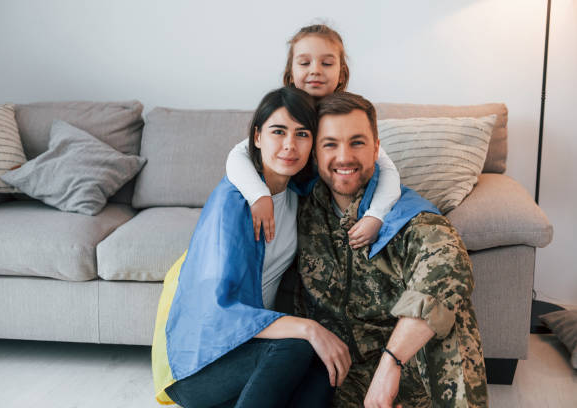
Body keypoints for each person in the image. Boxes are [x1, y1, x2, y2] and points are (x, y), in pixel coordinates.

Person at [152, 87, 349, 408]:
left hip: (249, 353)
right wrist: (309, 328)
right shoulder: (233, 204)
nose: (289, 145)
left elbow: (354, 167)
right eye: (278, 132)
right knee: (299, 344)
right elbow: (220, 308)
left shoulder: (296, 191)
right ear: (256, 137)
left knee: (325, 367)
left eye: (302, 134)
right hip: (199, 365)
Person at [294, 91, 489, 407]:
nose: (344, 156)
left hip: (406, 368)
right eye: (330, 144)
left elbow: (448, 263)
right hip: (336, 372)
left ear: (376, 149)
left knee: (449, 311)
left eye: (357, 142)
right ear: (315, 153)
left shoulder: (408, 215)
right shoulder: (299, 207)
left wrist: (392, 361)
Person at [226, 24, 401, 249]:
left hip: (346, 208)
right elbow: (239, 153)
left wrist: (376, 215)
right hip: (301, 214)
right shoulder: (285, 112)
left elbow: (387, 170)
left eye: (326, 63)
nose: (316, 70)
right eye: (305, 63)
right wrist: (259, 196)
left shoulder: (346, 117)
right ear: (291, 74)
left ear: (341, 74)